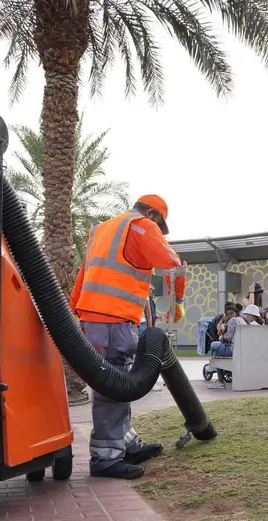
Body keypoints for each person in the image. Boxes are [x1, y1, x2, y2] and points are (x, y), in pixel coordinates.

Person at [70, 194, 184, 480]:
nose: (158, 228)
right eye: (159, 222)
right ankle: (105, 458)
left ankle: (127, 443)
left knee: (120, 381)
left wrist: (76, 309)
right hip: (111, 318)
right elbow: (172, 264)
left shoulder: (102, 229)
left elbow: (85, 272)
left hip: (96, 317)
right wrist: (178, 301)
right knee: (112, 385)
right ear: (152, 214)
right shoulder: (142, 225)